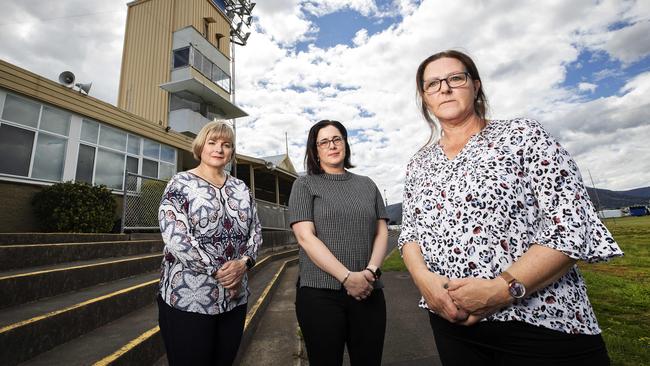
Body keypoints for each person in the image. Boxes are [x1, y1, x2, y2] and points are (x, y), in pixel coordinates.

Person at [398, 50, 624, 366]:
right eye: (432, 84)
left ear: (475, 86)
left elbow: (572, 222)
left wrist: (502, 290)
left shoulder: (522, 135)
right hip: (453, 325)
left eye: (455, 78)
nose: (445, 88)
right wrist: (424, 281)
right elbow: (410, 235)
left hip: (541, 324)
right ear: (424, 98)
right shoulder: (419, 163)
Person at [157, 120, 261, 366]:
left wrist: (244, 263)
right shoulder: (180, 183)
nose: (219, 149)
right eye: (212, 142)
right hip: (188, 298)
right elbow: (176, 236)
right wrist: (223, 273)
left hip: (235, 299)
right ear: (201, 146)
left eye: (226, 145)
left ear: (232, 152)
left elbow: (255, 232)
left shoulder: (241, 188)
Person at [289, 120, 390, 366]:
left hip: (368, 291)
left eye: (337, 139)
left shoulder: (367, 184)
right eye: (324, 142)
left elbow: (382, 232)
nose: (332, 145)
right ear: (315, 150)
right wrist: (346, 277)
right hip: (320, 295)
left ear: (345, 143)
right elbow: (305, 237)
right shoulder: (304, 184)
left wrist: (370, 272)